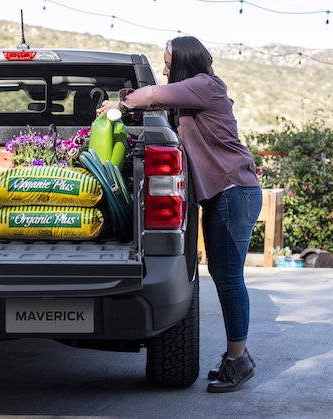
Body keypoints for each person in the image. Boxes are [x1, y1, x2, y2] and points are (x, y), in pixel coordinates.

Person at [97, 36, 262, 393]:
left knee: (229, 278)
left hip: (234, 192)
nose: (165, 68)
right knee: (222, 274)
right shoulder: (191, 97)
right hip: (224, 194)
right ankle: (237, 356)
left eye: (169, 63)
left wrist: (121, 102)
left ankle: (239, 359)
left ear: (185, 62)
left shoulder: (206, 86)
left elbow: (155, 94)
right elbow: (158, 103)